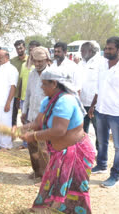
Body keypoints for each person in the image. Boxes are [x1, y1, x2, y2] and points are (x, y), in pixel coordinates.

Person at [16, 67, 95, 213]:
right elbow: (39, 123)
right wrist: (25, 127)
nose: (42, 87)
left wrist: (32, 136)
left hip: (76, 153)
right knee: (54, 186)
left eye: (44, 83)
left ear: (54, 84)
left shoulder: (66, 101)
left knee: (75, 191)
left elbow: (59, 130)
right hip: (59, 153)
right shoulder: (48, 100)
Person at [89, 36, 119, 188]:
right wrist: (92, 106)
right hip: (101, 111)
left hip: (117, 114)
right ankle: (101, 165)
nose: (107, 51)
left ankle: (115, 176)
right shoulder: (102, 65)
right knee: (101, 141)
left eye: (110, 49)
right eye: (106, 48)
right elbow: (98, 87)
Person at [21, 47, 51, 180]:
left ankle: (46, 175)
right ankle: (37, 171)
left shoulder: (51, 74)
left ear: (46, 59)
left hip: (45, 117)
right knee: (32, 145)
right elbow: (28, 93)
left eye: (41, 61)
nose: (38, 64)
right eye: (36, 61)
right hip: (31, 115)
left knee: (44, 149)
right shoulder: (32, 73)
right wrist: (24, 111)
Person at [0, 49, 18, 150]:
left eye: (0, 57)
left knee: (5, 124)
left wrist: (8, 103)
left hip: (5, 103)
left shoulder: (12, 69)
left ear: (7, 57)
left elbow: (13, 87)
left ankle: (6, 145)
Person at [79, 42, 102, 152]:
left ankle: (101, 154)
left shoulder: (101, 63)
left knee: (99, 130)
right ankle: (84, 152)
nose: (81, 53)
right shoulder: (80, 63)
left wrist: (94, 104)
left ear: (91, 51)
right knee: (83, 130)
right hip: (82, 103)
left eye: (83, 50)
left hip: (96, 105)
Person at [18, 40, 41, 149]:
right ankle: (27, 143)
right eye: (30, 49)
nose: (37, 63)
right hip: (27, 101)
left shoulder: (46, 70)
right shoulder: (26, 67)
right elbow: (24, 86)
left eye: (34, 49)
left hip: (41, 106)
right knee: (27, 122)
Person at [10, 40, 28, 127]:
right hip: (14, 93)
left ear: (24, 48)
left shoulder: (30, 61)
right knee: (12, 116)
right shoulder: (12, 61)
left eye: (21, 48)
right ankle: (13, 135)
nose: (19, 50)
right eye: (17, 49)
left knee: (25, 117)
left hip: (25, 94)